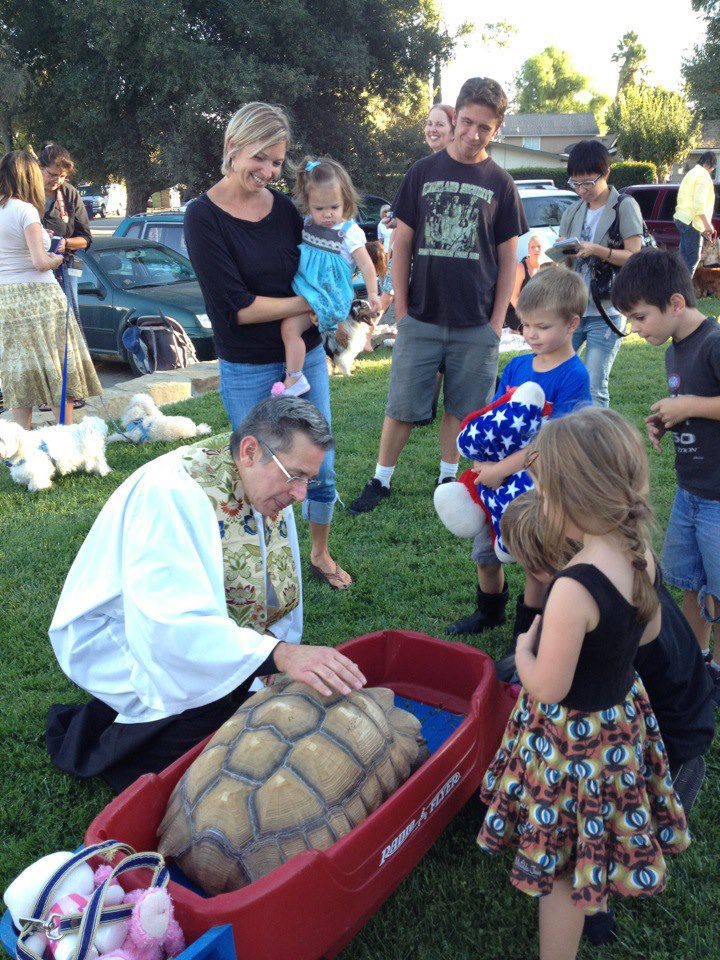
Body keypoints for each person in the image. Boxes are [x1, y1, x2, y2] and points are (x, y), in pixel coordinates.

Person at [46, 396, 367, 794]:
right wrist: (279, 654)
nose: (300, 494)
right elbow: (170, 625)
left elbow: (269, 586)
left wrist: (271, 657)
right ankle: (102, 736)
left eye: (309, 480)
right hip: (123, 637)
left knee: (261, 722)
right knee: (211, 748)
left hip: (188, 637)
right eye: (295, 476)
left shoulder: (262, 479)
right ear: (250, 450)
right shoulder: (169, 495)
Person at [476, 407, 690, 960]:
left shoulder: (574, 586)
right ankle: (601, 895)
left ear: (572, 495)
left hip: (574, 744)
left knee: (565, 868)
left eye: (546, 491)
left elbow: (546, 687)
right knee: (598, 830)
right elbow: (650, 635)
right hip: (620, 725)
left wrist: (525, 650)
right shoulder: (640, 551)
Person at [500, 489, 714, 947]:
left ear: (544, 566)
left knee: (614, 822)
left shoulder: (577, 597)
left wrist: (522, 650)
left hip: (671, 737)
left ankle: (593, 898)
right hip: (665, 712)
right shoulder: (628, 561)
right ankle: (589, 888)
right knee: (598, 817)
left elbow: (549, 685)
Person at [184, 102, 351, 590]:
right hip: (249, 366)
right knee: (260, 474)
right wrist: (309, 301)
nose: (268, 171)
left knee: (320, 466)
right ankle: (268, 563)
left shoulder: (283, 209)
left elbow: (319, 261)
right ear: (233, 147)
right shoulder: (202, 217)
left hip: (307, 355)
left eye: (277, 163)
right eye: (260, 157)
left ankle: (317, 554)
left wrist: (331, 296)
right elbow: (234, 308)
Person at [348, 77, 527, 514]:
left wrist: (497, 320)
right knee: (402, 405)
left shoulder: (501, 183)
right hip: (422, 318)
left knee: (464, 408)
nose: (473, 134)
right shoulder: (422, 173)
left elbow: (508, 260)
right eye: (466, 122)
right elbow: (402, 245)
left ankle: (449, 476)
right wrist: (404, 313)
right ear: (456, 116)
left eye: (484, 128)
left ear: (496, 129)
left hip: (476, 321)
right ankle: (381, 480)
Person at [446, 267, 591, 636]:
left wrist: (502, 469)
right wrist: (482, 461)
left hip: (541, 489)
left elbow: (555, 442)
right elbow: (494, 421)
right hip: (493, 482)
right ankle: (489, 610)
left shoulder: (574, 376)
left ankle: (527, 630)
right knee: (485, 553)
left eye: (541, 326)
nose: (530, 334)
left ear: (572, 323)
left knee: (533, 562)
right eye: (525, 325)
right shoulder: (517, 365)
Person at [612, 247, 720, 703]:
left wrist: (690, 407)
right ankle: (697, 661)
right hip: (690, 492)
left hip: (718, 498)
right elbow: (694, 404)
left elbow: (701, 402)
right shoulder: (675, 348)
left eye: (639, 317)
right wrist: (668, 420)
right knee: (690, 583)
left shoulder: (714, 342)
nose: (635, 329)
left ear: (676, 303)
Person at [0, 149, 101, 429]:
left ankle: (21, 442)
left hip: (6, 298)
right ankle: (64, 437)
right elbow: (40, 262)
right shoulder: (26, 210)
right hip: (39, 296)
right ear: (28, 176)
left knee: (20, 370)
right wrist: (57, 256)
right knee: (59, 365)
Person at [272, 157, 381, 396]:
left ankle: (294, 378)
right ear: (308, 205)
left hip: (327, 295)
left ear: (346, 201)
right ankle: (295, 374)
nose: (328, 214)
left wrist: (373, 293)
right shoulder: (308, 224)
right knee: (289, 329)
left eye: (334, 207)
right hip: (308, 290)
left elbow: (366, 264)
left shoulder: (349, 232)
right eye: (319, 209)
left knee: (290, 329)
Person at [558, 140, 644, 407]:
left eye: (588, 182)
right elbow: (564, 256)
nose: (582, 190)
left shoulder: (624, 206)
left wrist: (597, 250)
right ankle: (562, 438)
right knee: (558, 376)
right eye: (575, 183)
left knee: (595, 386)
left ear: (605, 173)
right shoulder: (573, 210)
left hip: (607, 310)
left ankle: (598, 445)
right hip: (573, 307)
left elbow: (634, 258)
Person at [39, 142, 94, 413]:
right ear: (38, 169)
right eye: (51, 175)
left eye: (62, 177)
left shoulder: (69, 194)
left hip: (63, 269)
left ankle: (71, 391)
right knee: (42, 334)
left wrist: (64, 243)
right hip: (33, 274)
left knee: (66, 331)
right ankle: (46, 392)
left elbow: (86, 238)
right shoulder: (24, 196)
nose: (56, 181)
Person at [674, 151, 717, 276]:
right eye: (713, 169)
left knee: (682, 260)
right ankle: (684, 292)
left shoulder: (691, 173)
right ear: (711, 166)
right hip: (691, 221)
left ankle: (675, 289)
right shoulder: (703, 176)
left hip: (682, 218)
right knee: (692, 260)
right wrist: (707, 225)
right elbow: (699, 203)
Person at [504, 233, 543, 331]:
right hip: (517, 311)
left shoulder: (542, 268)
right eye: (533, 247)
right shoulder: (521, 268)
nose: (536, 249)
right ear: (528, 250)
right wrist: (526, 317)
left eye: (539, 246)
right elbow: (513, 297)